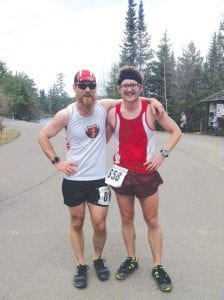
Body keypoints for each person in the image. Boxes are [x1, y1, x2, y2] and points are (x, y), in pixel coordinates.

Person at [37, 69, 164, 289]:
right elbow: (43, 136)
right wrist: (57, 161)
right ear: (75, 88)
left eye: (91, 86)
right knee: (76, 222)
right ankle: (81, 264)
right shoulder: (66, 114)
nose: (87, 90)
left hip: (98, 179)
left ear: (96, 88)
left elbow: (130, 94)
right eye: (82, 86)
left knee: (100, 224)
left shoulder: (104, 106)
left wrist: (152, 98)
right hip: (73, 180)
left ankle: (97, 259)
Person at [106, 66, 182, 293]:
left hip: (146, 173)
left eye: (134, 85)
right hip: (121, 173)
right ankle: (131, 258)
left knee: (152, 221)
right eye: (125, 85)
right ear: (119, 88)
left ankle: (157, 265)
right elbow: (97, 132)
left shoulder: (152, 110)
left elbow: (176, 131)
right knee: (126, 218)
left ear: (140, 87)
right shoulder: (112, 112)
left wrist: (162, 155)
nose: (129, 89)